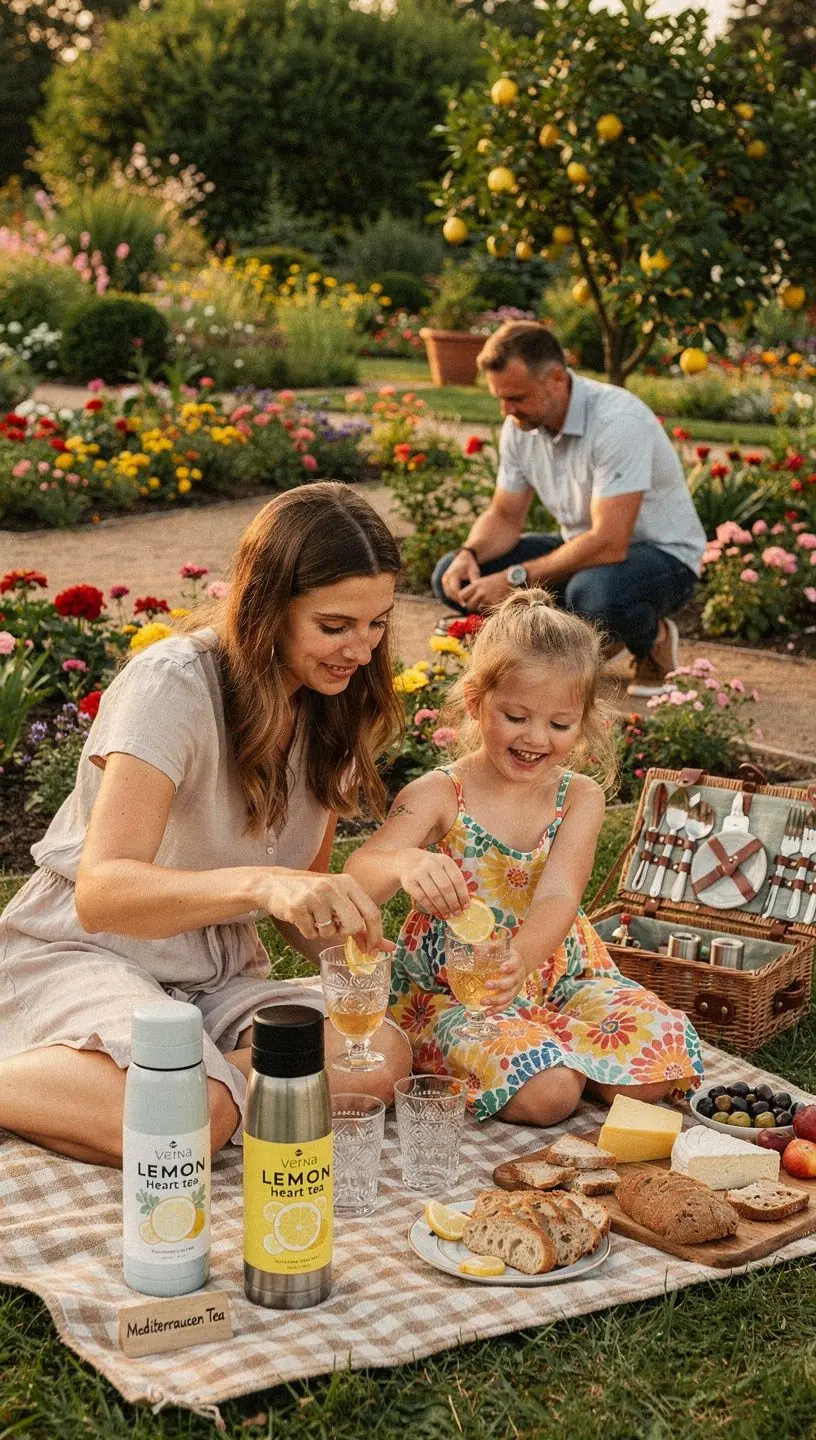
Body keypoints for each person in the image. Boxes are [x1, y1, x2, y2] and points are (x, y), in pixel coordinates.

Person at [0, 483, 412, 1168]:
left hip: (211, 980)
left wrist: (356, 954)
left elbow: (295, 909)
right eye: (335, 626)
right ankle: (169, 1094)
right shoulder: (172, 684)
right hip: (89, 953)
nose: (361, 650)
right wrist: (263, 884)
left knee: (379, 1054)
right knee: (196, 1108)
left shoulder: (331, 707)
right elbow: (103, 894)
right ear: (267, 607)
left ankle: (168, 1090)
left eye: (378, 623)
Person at [346, 590, 703, 1126]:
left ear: (583, 724)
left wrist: (521, 960)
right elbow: (358, 873)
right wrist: (403, 864)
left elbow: (560, 895)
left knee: (661, 1066)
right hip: (462, 991)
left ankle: (561, 1052)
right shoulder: (438, 794)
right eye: (516, 716)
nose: (537, 738)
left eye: (560, 725)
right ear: (475, 702)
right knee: (551, 1097)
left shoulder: (579, 796)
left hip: (558, 974)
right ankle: (560, 1067)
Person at [433, 321, 706, 698]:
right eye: (501, 398)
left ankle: (653, 640)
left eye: (516, 397)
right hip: (586, 549)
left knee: (594, 596)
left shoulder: (617, 422)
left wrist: (514, 578)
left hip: (663, 557)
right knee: (454, 577)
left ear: (557, 380)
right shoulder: (521, 425)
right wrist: (470, 553)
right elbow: (505, 515)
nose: (506, 411)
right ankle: (562, 648)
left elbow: (610, 542)